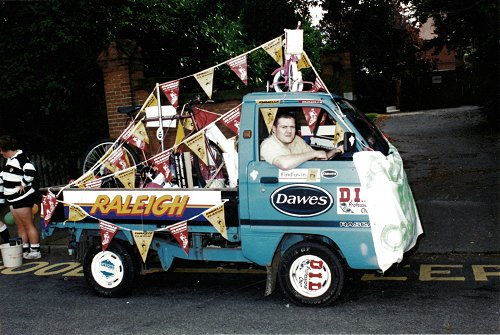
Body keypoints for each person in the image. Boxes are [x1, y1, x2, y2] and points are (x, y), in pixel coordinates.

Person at [0, 135, 41, 259]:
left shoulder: (20, 157)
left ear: (7, 149)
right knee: (20, 226)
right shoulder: (11, 159)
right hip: (13, 199)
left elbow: (31, 172)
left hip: (21, 198)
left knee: (28, 224)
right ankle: (24, 250)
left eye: (1, 150)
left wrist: (23, 183)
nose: (1, 153)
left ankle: (35, 250)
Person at [260, 111, 343, 170]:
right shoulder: (268, 144)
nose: (289, 131)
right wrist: (314, 153)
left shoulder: (297, 139)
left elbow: (318, 158)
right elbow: (284, 164)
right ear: (274, 129)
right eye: (284, 127)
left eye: (292, 127)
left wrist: (335, 151)